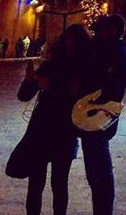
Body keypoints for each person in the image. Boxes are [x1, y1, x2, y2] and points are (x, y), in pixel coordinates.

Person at [17, 24, 93, 215]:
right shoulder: (50, 66)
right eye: (66, 41)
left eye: (72, 42)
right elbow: (24, 95)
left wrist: (52, 85)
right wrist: (29, 80)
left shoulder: (84, 70)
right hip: (42, 130)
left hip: (65, 131)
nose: (68, 45)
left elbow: (79, 96)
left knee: (59, 183)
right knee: (36, 183)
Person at [79, 14, 126, 215]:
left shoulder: (115, 52)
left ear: (113, 30)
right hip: (96, 112)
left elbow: (106, 81)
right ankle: (100, 206)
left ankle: (103, 208)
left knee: (99, 166)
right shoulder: (110, 50)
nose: (98, 31)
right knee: (95, 165)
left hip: (100, 112)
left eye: (103, 27)